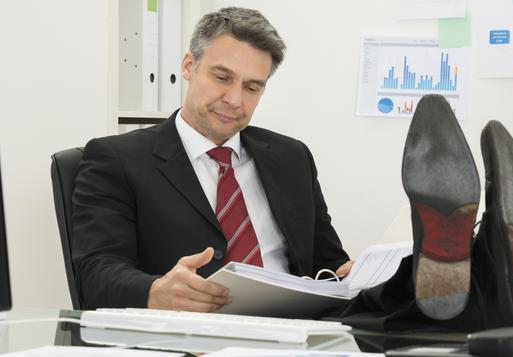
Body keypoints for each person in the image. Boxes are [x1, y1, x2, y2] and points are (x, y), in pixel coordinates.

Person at [72, 7, 352, 312]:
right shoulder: (117, 160)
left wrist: (359, 276)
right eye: (222, 77)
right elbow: (95, 274)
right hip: (187, 338)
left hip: (293, 335)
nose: (234, 99)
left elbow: (329, 265)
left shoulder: (292, 157)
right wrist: (154, 291)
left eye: (251, 87)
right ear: (189, 66)